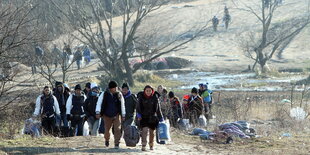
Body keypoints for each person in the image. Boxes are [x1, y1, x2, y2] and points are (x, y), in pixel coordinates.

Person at [95, 81, 126, 149]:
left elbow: (122, 104)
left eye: (114, 88)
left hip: (116, 114)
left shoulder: (119, 94)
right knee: (107, 130)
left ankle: (117, 143)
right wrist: (97, 112)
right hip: (106, 115)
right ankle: (107, 139)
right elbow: (99, 103)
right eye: (112, 88)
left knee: (117, 129)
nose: (113, 89)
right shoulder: (104, 94)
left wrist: (123, 114)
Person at [136, 85, 163, 151]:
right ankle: (143, 145)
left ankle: (151, 145)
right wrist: (139, 115)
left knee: (152, 132)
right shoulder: (141, 97)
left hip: (152, 117)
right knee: (144, 131)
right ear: (144, 91)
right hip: (144, 117)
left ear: (152, 91)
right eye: (147, 91)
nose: (148, 92)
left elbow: (158, 109)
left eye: (149, 91)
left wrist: (160, 117)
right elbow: (138, 107)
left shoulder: (155, 97)